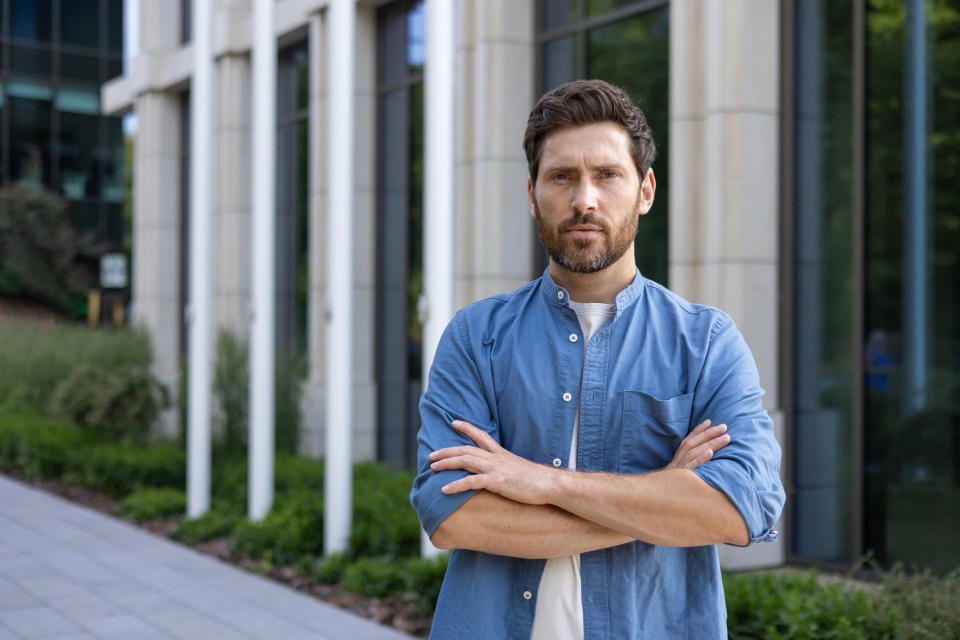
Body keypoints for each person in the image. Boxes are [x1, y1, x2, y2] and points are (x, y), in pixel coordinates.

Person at [410, 79, 784, 640]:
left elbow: (741, 509)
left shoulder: (706, 342)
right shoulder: (475, 337)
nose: (585, 199)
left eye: (607, 175)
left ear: (645, 190)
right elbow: (454, 515)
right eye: (562, 176)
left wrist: (541, 483)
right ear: (533, 192)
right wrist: (663, 497)